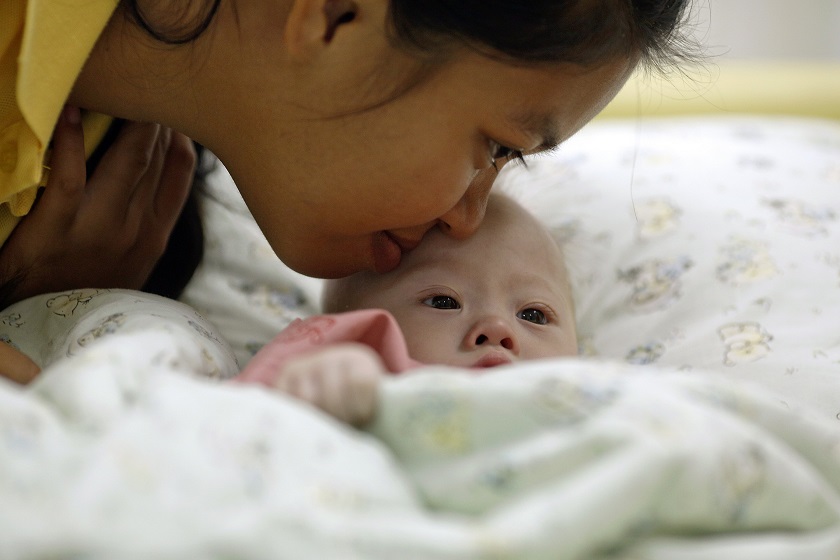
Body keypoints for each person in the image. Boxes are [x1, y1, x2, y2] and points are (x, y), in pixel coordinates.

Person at [0, 0, 698, 382]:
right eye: (495, 147)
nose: (466, 220)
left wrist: (53, 303)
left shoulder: (114, 202)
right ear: (337, 16)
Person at [238, 193, 578, 426]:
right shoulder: (357, 366)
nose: (497, 328)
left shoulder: (581, 398)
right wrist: (322, 377)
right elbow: (243, 426)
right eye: (443, 302)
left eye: (533, 315)